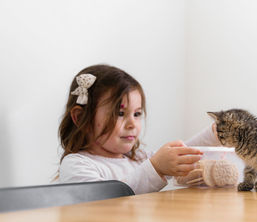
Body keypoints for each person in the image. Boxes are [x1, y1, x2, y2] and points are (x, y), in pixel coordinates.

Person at [57, 64, 219, 194]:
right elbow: (105, 201)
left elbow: (181, 153)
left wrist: (214, 133)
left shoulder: (136, 158)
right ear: (80, 118)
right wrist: (155, 168)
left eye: (137, 114)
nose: (132, 124)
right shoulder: (76, 165)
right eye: (120, 113)